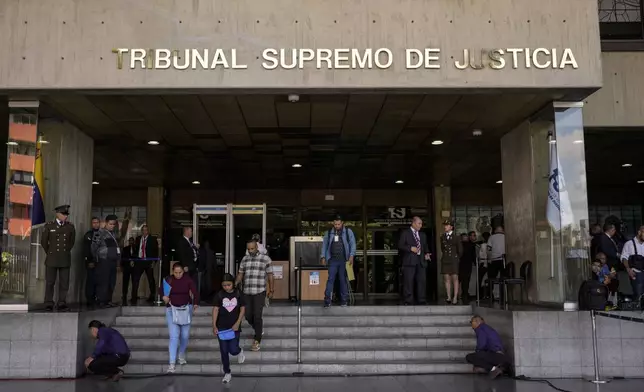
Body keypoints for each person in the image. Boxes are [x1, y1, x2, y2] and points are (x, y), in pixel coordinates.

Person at [235, 240, 274, 352]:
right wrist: (235, 283)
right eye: (248, 249)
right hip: (246, 291)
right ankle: (258, 328)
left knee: (257, 315)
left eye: (252, 248)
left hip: (260, 291)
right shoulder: (244, 259)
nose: (250, 251)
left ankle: (257, 340)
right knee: (247, 315)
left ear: (257, 247)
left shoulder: (265, 259)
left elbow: (270, 275)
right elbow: (240, 274)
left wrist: (271, 290)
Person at [161, 262, 199, 373]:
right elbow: (161, 290)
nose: (178, 275)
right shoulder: (168, 280)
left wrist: (196, 302)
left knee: (185, 335)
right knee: (174, 336)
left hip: (186, 309)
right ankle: (171, 363)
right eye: (176, 272)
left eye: (180, 272)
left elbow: (195, 292)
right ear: (173, 271)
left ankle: (181, 353)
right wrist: (164, 296)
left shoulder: (188, 280)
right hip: (171, 309)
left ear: (183, 271)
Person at [212, 273, 246, 384]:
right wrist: (214, 325)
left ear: (233, 284)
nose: (226, 287)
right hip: (221, 327)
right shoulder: (219, 295)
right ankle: (227, 372)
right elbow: (215, 309)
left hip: (234, 327)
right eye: (224, 285)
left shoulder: (238, 294)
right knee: (224, 351)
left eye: (228, 285)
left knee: (233, 349)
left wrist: (238, 323)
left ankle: (240, 351)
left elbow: (242, 309)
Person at [41, 204, 76, 312]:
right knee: (50, 282)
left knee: (64, 282)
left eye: (66, 214)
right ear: (57, 214)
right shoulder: (49, 226)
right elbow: (44, 242)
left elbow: (71, 243)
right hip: (52, 258)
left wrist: (64, 252)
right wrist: (50, 253)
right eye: (63, 214)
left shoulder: (70, 227)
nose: (65, 216)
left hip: (64, 258)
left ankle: (62, 302)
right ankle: (48, 303)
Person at [320, 216, 356, 308]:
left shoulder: (348, 232)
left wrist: (351, 255)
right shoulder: (329, 233)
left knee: (343, 280)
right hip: (332, 260)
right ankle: (327, 301)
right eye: (335, 224)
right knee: (330, 279)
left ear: (342, 223)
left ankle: (344, 301)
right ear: (333, 223)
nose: (337, 226)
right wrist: (323, 257)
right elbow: (324, 245)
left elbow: (353, 244)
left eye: (338, 224)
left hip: (344, 260)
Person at [398, 216, 431, 305]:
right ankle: (408, 300)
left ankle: (421, 299)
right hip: (409, 261)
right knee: (408, 281)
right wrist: (410, 248)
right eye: (419, 223)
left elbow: (425, 247)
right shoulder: (405, 233)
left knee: (421, 281)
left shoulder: (423, 235)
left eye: (421, 224)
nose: (420, 226)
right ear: (413, 223)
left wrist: (427, 253)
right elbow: (400, 245)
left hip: (421, 261)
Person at [465, 315, 509, 379]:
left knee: (469, 357)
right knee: (479, 356)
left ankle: (493, 369)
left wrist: (477, 356)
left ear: (477, 321)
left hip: (497, 356)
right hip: (500, 356)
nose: (471, 325)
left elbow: (481, 345)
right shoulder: (486, 328)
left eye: (471, 322)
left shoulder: (480, 329)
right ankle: (495, 368)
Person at [91, 215, 121, 308]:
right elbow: (93, 247)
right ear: (106, 223)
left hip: (112, 261)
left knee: (111, 281)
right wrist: (97, 259)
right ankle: (101, 300)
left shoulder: (113, 234)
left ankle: (108, 300)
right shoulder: (100, 233)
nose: (112, 226)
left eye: (113, 224)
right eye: (110, 224)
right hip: (103, 260)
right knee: (103, 281)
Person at [133, 225, 159, 304]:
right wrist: (134, 259)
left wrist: (154, 263)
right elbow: (135, 250)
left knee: (151, 280)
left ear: (148, 231)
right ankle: (134, 296)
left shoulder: (153, 239)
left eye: (146, 230)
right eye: (143, 230)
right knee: (135, 279)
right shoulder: (138, 239)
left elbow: (156, 252)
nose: (144, 232)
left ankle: (152, 296)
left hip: (149, 262)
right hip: (139, 261)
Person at [440, 220, 462, 305]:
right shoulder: (442, 237)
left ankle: (455, 297)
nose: (445, 226)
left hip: (454, 259)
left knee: (455, 278)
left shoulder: (456, 237)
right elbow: (442, 248)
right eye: (444, 225)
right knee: (446, 278)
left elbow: (460, 250)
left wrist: (456, 258)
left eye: (447, 225)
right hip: (445, 259)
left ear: (451, 227)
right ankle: (448, 296)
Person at [621, 225, 644, 301]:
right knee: (639, 295)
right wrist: (628, 269)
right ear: (639, 232)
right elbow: (624, 257)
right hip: (636, 273)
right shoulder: (629, 244)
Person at [83, 217, 101, 308]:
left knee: (99, 281)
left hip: (100, 263)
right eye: (94, 222)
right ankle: (90, 299)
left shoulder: (103, 234)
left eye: (97, 222)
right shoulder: (88, 235)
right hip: (91, 262)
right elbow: (86, 249)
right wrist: (89, 261)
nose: (95, 224)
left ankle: (98, 298)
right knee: (90, 281)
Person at [486, 226, 506, 301]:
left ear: (495, 230)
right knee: (503, 279)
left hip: (494, 260)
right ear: (503, 231)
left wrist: (489, 259)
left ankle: (490, 296)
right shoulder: (505, 237)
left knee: (491, 278)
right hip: (503, 260)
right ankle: (503, 296)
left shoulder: (491, 237)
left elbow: (489, 249)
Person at [459, 231, 477, 304]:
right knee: (466, 281)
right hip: (467, 265)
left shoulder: (459, 245)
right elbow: (473, 256)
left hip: (459, 265)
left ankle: (455, 295)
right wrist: (476, 263)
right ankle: (464, 295)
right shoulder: (471, 245)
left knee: (458, 280)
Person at [121, 237, 136, 306]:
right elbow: (122, 258)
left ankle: (133, 296)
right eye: (130, 241)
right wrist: (122, 266)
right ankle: (124, 295)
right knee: (125, 282)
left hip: (134, 269)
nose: (131, 242)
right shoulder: (125, 249)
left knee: (134, 282)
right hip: (127, 268)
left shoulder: (136, 249)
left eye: (132, 241)